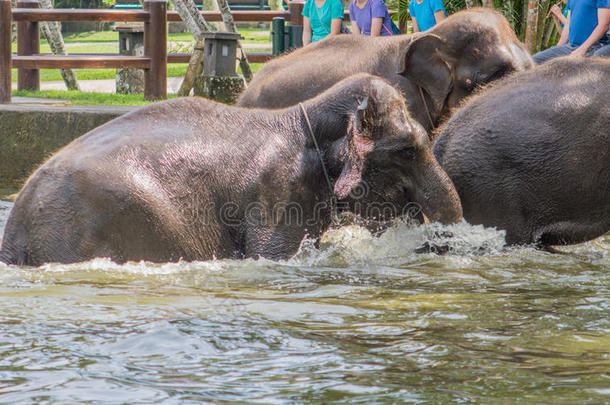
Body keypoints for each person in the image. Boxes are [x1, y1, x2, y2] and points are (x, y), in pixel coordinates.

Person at [533, 0, 610, 63]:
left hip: (596, 47)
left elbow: (603, 24)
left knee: (593, 64)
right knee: (535, 60)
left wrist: (582, 49)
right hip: (572, 47)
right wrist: (557, 47)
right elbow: (568, 25)